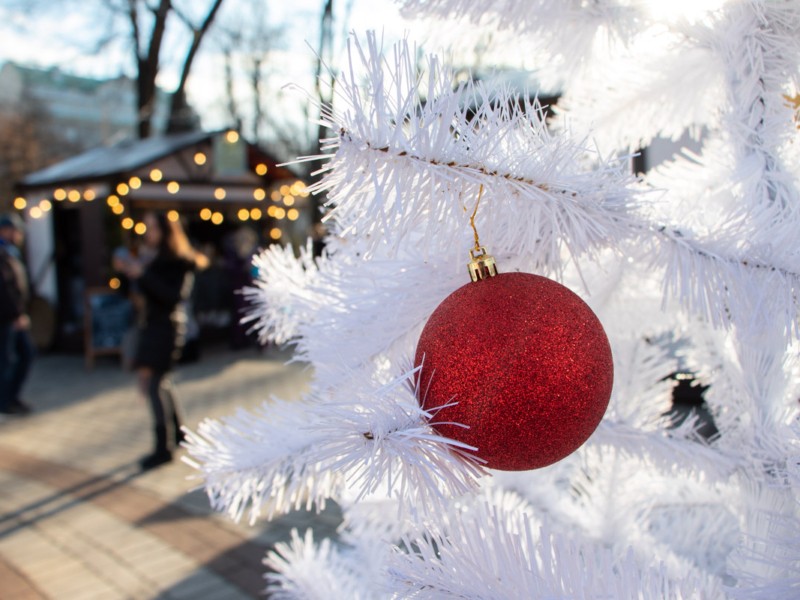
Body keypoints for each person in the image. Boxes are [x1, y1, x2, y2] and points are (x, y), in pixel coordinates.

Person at [118, 211, 208, 470]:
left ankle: (163, 447)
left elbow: (173, 298)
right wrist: (127, 274)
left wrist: (142, 275)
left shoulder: (178, 261)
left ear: (166, 232)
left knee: (155, 384)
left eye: (153, 228)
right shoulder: (149, 258)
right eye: (146, 228)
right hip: (150, 326)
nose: (148, 234)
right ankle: (179, 434)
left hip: (167, 327)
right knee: (162, 382)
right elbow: (132, 293)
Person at [0, 213, 34, 415]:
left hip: (12, 316)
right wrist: (16, 314)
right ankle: (5, 402)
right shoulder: (2, 253)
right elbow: (3, 289)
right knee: (8, 359)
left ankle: (10, 398)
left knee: (24, 355)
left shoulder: (10, 253)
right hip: (6, 318)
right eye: (17, 231)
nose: (20, 235)